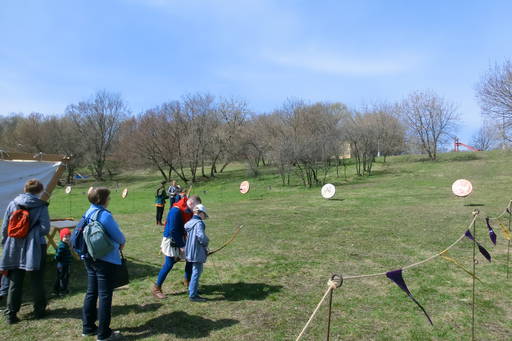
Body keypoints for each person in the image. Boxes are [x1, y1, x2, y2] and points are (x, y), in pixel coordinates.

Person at [0, 179, 50, 324]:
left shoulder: (13, 203)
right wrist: (31, 233)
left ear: (25, 189)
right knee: (36, 279)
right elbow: (45, 228)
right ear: (40, 191)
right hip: (35, 246)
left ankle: (11, 314)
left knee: (14, 280)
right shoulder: (41, 206)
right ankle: (39, 311)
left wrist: (6, 242)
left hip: (14, 244)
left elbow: (5, 226)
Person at [81, 187, 126, 341]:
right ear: (102, 199)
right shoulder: (104, 215)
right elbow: (119, 237)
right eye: (108, 197)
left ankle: (88, 328)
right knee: (105, 295)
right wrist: (121, 243)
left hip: (89, 256)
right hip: (104, 259)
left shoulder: (89, 211)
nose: (110, 199)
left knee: (91, 292)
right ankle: (103, 334)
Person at [152, 195, 201, 299]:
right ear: (191, 203)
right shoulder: (176, 210)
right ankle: (156, 288)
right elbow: (173, 230)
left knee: (190, 259)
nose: (196, 210)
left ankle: (187, 282)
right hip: (171, 239)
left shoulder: (187, 210)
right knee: (169, 263)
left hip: (180, 238)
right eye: (196, 207)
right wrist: (182, 245)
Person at [184, 204, 210, 302]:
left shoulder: (190, 222)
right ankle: (193, 295)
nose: (204, 217)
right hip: (196, 251)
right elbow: (201, 237)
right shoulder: (199, 223)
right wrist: (206, 242)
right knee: (196, 272)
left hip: (190, 250)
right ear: (201, 213)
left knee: (195, 271)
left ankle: (192, 290)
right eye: (204, 215)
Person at [54, 228, 72, 295]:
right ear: (61, 237)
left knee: (63, 276)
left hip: (65, 263)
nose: (67, 238)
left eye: (69, 237)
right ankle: (62, 291)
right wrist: (57, 258)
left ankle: (58, 289)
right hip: (62, 265)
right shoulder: (62, 246)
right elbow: (58, 254)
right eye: (65, 237)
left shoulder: (66, 244)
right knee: (62, 277)